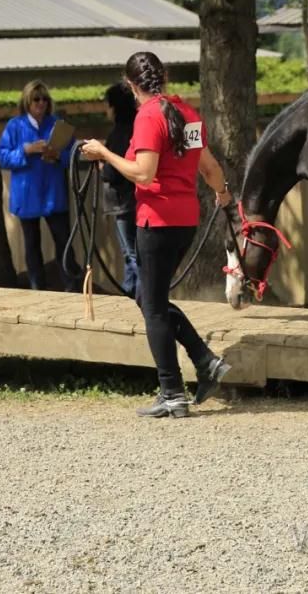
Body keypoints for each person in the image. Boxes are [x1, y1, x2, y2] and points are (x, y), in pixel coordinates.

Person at [81, 51, 234, 418]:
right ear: (162, 77)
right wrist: (223, 194)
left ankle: (173, 391)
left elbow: (144, 173)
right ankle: (204, 362)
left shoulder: (148, 116)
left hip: (157, 220)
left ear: (131, 85)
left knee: (151, 306)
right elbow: (209, 167)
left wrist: (103, 152)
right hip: (186, 221)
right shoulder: (189, 113)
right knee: (153, 300)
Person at [0, 80, 79, 292]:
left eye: (44, 99)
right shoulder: (15, 126)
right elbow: (2, 157)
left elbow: (73, 154)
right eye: (36, 99)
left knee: (64, 243)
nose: (40, 103)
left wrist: (58, 155)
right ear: (27, 101)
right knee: (32, 246)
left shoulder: (57, 124)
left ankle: (71, 286)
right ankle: (37, 288)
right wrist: (26, 151)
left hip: (54, 194)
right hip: (27, 195)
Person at [101, 82, 139, 299]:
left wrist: (102, 165)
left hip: (122, 202)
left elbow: (113, 172)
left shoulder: (118, 134)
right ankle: (130, 291)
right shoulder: (136, 128)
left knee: (131, 252)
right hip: (134, 199)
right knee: (130, 252)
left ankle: (141, 292)